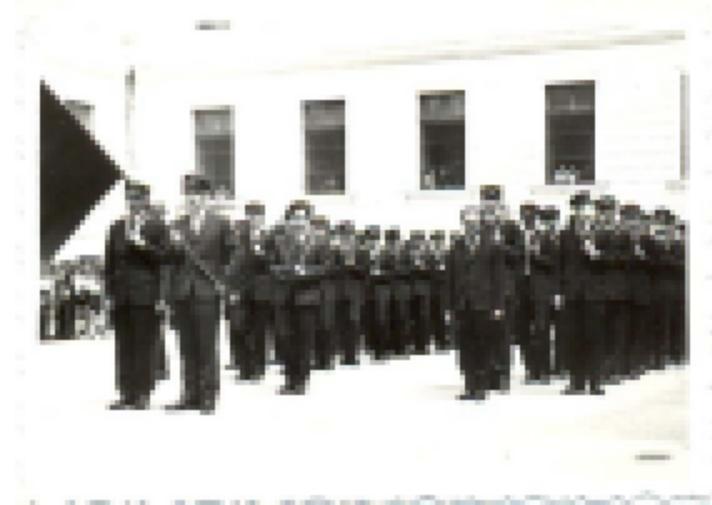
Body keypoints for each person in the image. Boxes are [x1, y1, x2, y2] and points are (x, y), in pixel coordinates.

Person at [165, 174, 233, 413]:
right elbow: (169, 262)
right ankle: (190, 394)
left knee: (207, 345)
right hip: (183, 292)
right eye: (189, 194)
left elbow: (232, 256)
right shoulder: (177, 225)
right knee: (186, 346)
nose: (193, 199)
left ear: (207, 197)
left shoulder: (220, 223)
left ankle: (208, 396)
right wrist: (173, 247)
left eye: (197, 194)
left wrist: (223, 281)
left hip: (207, 292)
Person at [104, 180, 169, 409]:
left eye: (138, 199)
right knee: (123, 344)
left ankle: (142, 393)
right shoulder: (116, 227)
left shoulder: (157, 227)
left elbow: (164, 260)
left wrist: (143, 246)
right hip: (121, 295)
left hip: (146, 295)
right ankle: (126, 392)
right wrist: (109, 294)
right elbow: (110, 264)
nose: (134, 204)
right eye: (130, 199)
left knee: (144, 344)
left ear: (146, 201)